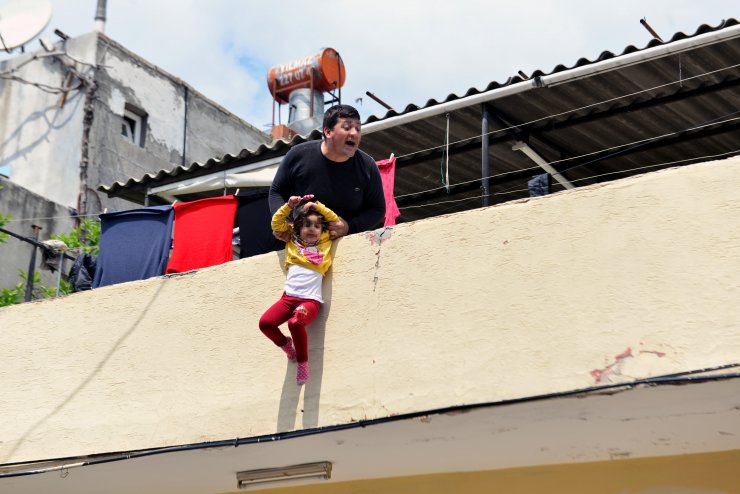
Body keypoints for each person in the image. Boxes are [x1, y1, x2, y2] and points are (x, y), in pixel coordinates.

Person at [269, 104, 385, 241]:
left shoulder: (368, 166)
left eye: (358, 128)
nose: (354, 133)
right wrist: (285, 224)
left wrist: (349, 227)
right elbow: (276, 191)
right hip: (301, 247)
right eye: (347, 128)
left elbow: (377, 209)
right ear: (328, 132)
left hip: (347, 247)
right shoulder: (298, 155)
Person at [259, 194, 339, 385]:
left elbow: (334, 220)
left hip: (309, 301)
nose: (312, 229)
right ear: (298, 229)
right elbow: (277, 224)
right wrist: (289, 206)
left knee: (295, 323)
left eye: (317, 226)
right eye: (307, 225)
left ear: (322, 231)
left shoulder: (324, 241)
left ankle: (303, 363)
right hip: (288, 298)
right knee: (265, 323)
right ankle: (286, 345)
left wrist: (317, 206)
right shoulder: (292, 242)